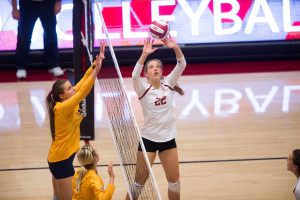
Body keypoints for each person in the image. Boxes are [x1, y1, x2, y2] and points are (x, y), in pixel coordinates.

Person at [126, 36, 186, 200]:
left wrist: (175, 47)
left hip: (168, 140)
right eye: (151, 67)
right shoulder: (142, 89)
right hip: (148, 141)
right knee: (139, 183)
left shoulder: (169, 84)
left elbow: (182, 64)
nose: (155, 69)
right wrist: (144, 55)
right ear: (147, 73)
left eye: (158, 66)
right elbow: (134, 75)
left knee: (175, 182)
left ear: (161, 71)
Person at [46, 42, 105, 200]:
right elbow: (84, 90)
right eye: (69, 88)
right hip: (61, 162)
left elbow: (83, 81)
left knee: (57, 197)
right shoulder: (63, 107)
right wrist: (97, 71)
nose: (73, 88)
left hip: (60, 157)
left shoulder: (66, 100)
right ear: (62, 96)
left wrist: (95, 64)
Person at [11, 0, 64, 79]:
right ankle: (21, 66)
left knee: (51, 34)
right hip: (27, 5)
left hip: (48, 4)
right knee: (24, 36)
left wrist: (58, 2)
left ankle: (54, 65)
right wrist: (14, 8)